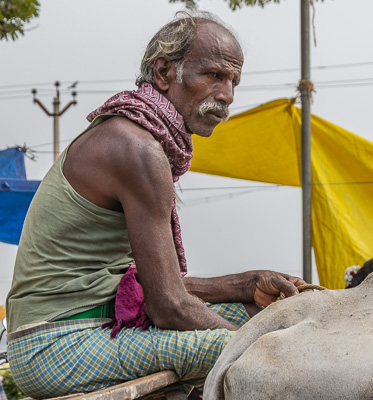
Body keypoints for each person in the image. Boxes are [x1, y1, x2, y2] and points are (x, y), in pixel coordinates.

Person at [6, 11, 307, 399]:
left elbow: (157, 287)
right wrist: (249, 342)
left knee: (273, 316)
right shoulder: (137, 149)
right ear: (164, 72)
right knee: (273, 349)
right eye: (214, 75)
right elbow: (168, 306)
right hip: (57, 344)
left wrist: (245, 285)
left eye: (233, 80)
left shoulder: (139, 137)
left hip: (101, 323)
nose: (227, 94)